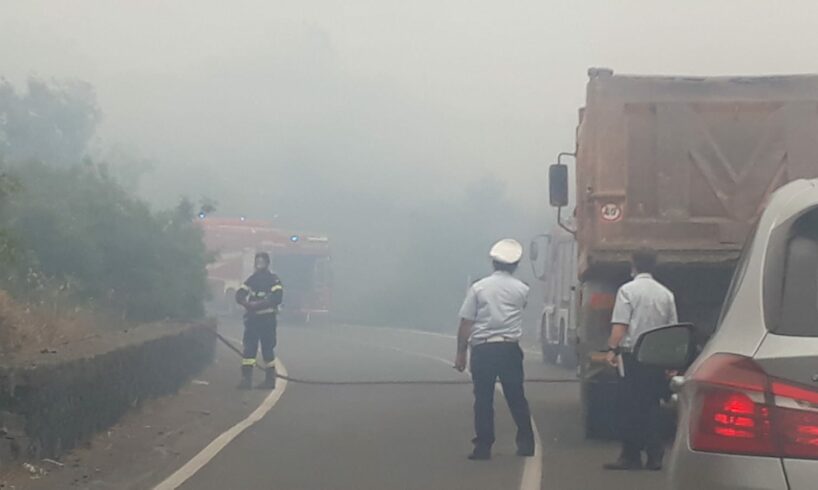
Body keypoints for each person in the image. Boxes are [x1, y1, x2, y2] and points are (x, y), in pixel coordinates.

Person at [455, 238, 535, 461]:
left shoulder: (478, 288)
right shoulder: (522, 289)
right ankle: (527, 442)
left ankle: (483, 446)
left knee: (483, 398)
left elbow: (466, 322)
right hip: (509, 347)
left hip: (484, 348)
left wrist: (461, 352)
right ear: (516, 264)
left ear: (493, 263)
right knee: (516, 396)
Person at [603, 248, 677, 471]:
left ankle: (631, 455)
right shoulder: (666, 294)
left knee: (629, 406)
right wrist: (671, 362)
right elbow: (672, 330)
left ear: (633, 265)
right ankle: (655, 455)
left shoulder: (627, 291)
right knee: (651, 405)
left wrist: (611, 350)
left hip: (633, 356)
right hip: (656, 357)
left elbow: (621, 326)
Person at [235, 252, 284, 390]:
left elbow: (277, 298)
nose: (259, 264)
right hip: (252, 321)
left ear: (267, 263)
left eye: (262, 261)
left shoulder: (273, 280)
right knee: (249, 349)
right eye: (257, 261)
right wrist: (245, 303)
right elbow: (239, 294)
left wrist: (258, 305)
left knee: (268, 349)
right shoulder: (252, 279)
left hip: (267, 321)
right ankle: (246, 379)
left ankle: (270, 380)